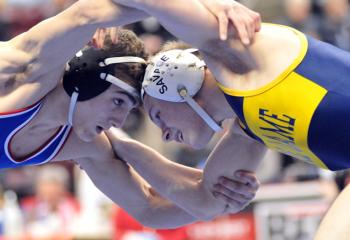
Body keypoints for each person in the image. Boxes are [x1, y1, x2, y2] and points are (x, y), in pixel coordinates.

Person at [0, 0, 261, 228]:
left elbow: (150, 207)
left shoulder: (83, 143)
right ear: (86, 72)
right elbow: (87, 13)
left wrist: (222, 196)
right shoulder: (23, 75)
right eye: (117, 101)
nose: (118, 120)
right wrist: (209, 8)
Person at [106, 0, 350, 230]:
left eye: (158, 116)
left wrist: (97, 19)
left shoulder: (242, 53)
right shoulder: (249, 129)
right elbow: (206, 202)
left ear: (175, 77)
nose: (166, 135)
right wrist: (118, 143)